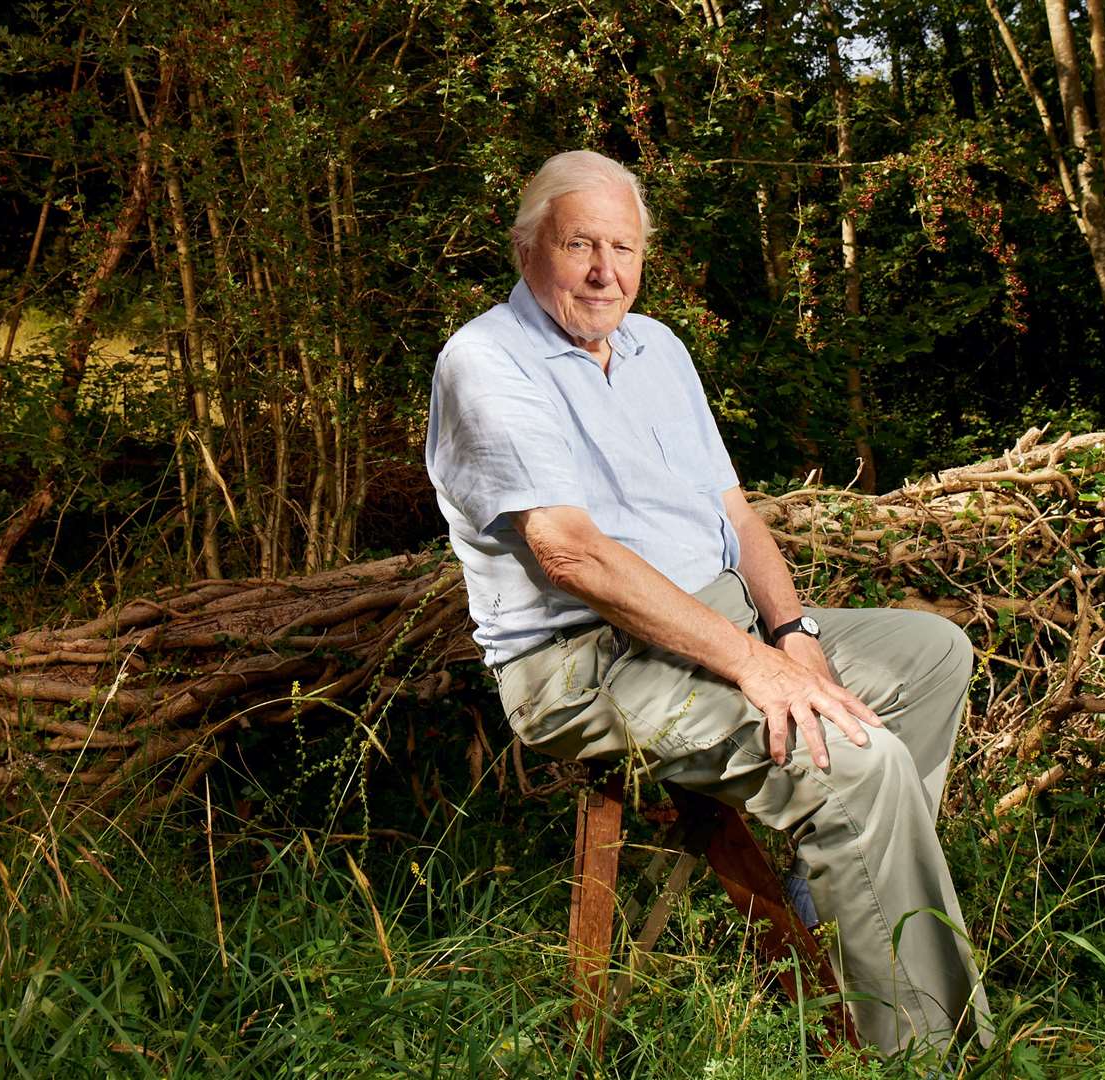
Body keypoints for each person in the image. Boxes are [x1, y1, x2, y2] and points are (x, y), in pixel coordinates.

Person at [424, 149, 990, 1054]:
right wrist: (753, 666)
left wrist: (792, 635)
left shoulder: (658, 348)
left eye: (624, 247)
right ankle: (927, 1054)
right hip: (584, 663)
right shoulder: (486, 361)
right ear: (528, 249)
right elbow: (571, 555)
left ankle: (837, 902)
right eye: (580, 245)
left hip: (716, 625)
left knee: (929, 656)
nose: (606, 272)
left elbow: (735, 515)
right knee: (862, 765)